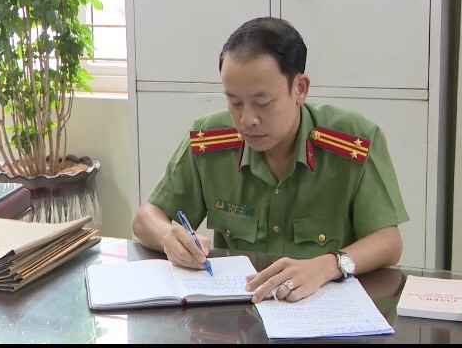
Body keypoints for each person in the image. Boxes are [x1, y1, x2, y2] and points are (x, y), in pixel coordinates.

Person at [132, 17, 409, 303]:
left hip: (324, 308)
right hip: (241, 311)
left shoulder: (353, 142)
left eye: (262, 103)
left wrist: (327, 266)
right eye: (234, 102)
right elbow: (145, 218)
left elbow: (389, 242)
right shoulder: (210, 139)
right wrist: (169, 237)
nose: (247, 119)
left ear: (300, 88)